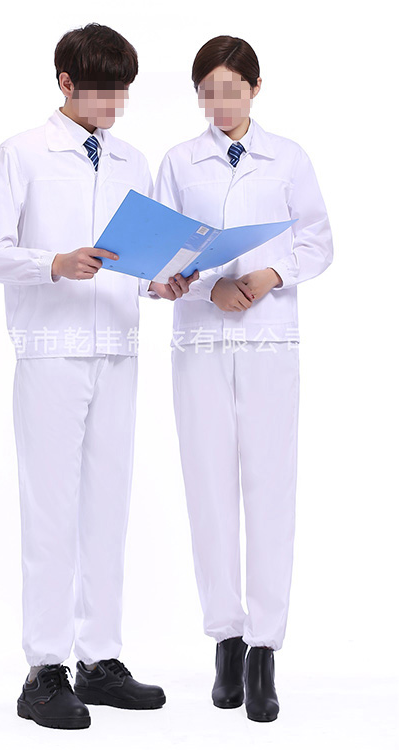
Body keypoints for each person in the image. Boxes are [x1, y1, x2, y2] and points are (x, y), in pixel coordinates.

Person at [0, 22, 197, 731]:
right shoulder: (21, 154)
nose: (113, 106)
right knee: (50, 512)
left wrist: (162, 284)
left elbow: (142, 260)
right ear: (66, 83)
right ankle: (44, 671)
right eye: (102, 92)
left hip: (118, 349)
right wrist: (52, 263)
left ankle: (99, 661)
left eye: (122, 93)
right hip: (51, 350)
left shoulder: (133, 160)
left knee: (107, 508)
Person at [153, 35, 333, 722]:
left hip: (268, 340)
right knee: (208, 490)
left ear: (255, 88)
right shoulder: (178, 162)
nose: (219, 103)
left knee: (268, 490)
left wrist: (270, 274)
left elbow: (317, 241)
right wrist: (204, 288)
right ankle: (226, 641)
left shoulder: (289, 158)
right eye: (207, 92)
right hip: (201, 341)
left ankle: (263, 652)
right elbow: (156, 261)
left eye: (231, 89)